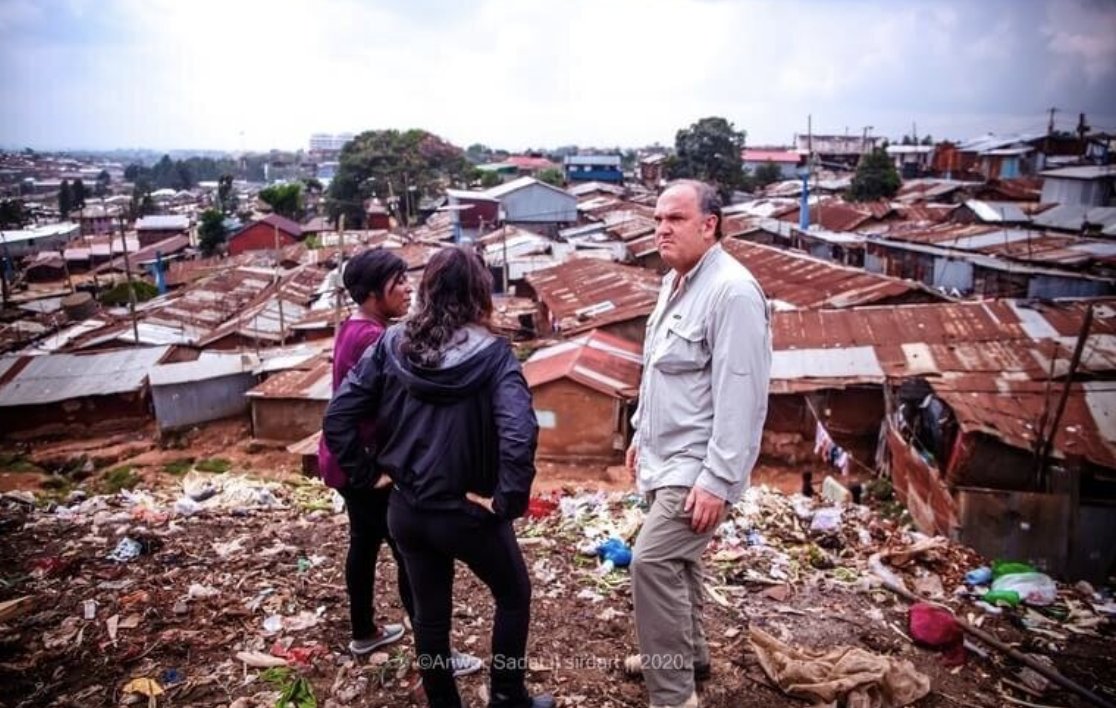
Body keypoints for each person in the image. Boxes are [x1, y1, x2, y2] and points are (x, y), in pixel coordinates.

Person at [323, 246, 554, 708]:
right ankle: (507, 696)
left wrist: (368, 475)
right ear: (479, 293)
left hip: (407, 510)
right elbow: (519, 432)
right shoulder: (494, 355)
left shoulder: (392, 343)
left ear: (426, 290)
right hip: (466, 511)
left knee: (430, 618)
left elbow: (338, 414)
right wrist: (507, 502)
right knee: (513, 595)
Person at [626, 180, 771, 708]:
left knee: (652, 561)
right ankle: (688, 657)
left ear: (709, 225)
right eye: (657, 219)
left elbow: (742, 394)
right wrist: (640, 431)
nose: (662, 230)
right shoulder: (676, 282)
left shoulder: (732, 292)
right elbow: (659, 371)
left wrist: (718, 480)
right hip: (665, 456)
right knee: (679, 563)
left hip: (699, 464)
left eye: (676, 219)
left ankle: (673, 695)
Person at [317, 248, 481, 676]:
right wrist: (370, 472)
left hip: (344, 460)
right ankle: (436, 657)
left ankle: (364, 631)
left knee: (364, 544)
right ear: (374, 293)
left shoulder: (355, 326)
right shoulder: (374, 339)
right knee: (415, 558)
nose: (409, 289)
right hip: (364, 464)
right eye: (398, 283)